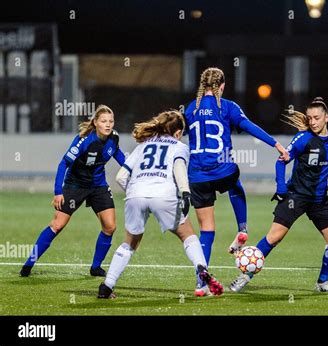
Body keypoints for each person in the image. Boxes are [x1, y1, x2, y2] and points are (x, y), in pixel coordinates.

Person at [184, 67, 289, 296]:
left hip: (197, 175)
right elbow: (250, 127)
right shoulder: (227, 106)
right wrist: (276, 144)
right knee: (235, 184)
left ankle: (200, 284)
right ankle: (242, 227)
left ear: (203, 86)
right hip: (223, 169)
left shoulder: (191, 108)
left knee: (206, 232)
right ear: (222, 86)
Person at [98, 110, 224, 298]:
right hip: (164, 195)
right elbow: (179, 168)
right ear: (178, 133)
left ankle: (107, 286)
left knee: (129, 243)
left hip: (136, 194)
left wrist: (136, 192)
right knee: (188, 235)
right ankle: (201, 268)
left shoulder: (143, 145)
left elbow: (120, 177)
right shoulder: (179, 146)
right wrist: (185, 192)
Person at [229, 97, 328, 293]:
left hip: (319, 200)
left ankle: (322, 282)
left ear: (327, 117)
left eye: (317, 118)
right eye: (309, 118)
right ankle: (244, 276)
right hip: (296, 197)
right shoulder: (303, 139)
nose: (313, 122)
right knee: (274, 238)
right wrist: (281, 188)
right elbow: (281, 161)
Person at [20, 105, 125, 277]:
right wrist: (58, 192)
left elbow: (119, 156)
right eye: (104, 121)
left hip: (98, 185)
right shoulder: (84, 140)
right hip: (75, 186)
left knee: (110, 226)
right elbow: (64, 163)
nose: (108, 124)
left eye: (111, 121)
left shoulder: (113, 138)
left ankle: (95, 267)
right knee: (57, 225)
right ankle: (28, 264)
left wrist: (132, 170)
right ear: (95, 122)